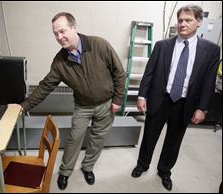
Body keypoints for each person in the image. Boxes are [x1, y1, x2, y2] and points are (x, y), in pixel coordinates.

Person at [20, 12, 126, 190]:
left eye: (62, 31)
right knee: (74, 139)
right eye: (55, 33)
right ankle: (65, 171)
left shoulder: (99, 45)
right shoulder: (59, 62)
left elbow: (119, 72)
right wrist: (23, 106)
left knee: (97, 139)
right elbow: (45, 87)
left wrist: (118, 99)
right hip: (83, 107)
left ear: (74, 27)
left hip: (106, 104)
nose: (59, 37)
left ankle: (88, 167)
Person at [131, 4, 220, 191]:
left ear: (199, 22)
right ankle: (142, 164)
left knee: (174, 140)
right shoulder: (162, 45)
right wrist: (141, 96)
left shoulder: (211, 50)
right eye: (180, 20)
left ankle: (164, 171)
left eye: (188, 20)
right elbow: (149, 73)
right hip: (160, 99)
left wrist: (202, 108)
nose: (183, 24)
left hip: (185, 102)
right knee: (149, 135)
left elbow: (209, 81)